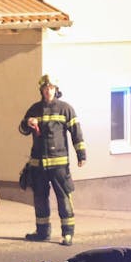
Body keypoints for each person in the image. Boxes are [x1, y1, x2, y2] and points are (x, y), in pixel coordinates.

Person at [18, 75, 86, 245]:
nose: (48, 91)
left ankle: (68, 234)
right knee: (40, 199)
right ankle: (42, 232)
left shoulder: (65, 109)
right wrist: (27, 122)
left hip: (59, 164)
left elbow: (76, 132)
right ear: (41, 90)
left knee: (64, 198)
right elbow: (22, 129)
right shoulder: (34, 109)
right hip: (38, 164)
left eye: (51, 88)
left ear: (56, 90)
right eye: (45, 88)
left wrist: (81, 155)